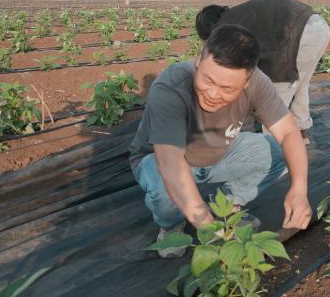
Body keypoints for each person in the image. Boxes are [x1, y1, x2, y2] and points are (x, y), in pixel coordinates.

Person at [129, 24, 312, 258]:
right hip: (162, 159)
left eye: (227, 89)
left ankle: (224, 206)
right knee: (164, 187)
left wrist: (299, 189)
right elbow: (170, 165)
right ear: (199, 61)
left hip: (219, 153)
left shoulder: (257, 82)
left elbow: (288, 132)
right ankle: (172, 223)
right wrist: (213, 231)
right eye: (208, 80)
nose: (213, 94)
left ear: (246, 82)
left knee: (277, 154)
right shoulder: (171, 87)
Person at [195, 0, 330, 143]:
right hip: (318, 26)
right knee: (299, 84)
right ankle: (301, 133)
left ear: (207, 29)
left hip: (299, 34)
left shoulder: (223, 28)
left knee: (276, 96)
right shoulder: (238, 15)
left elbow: (229, 68)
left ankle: (274, 149)